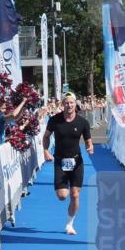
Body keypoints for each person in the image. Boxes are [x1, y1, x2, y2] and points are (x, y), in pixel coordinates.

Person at [43, 93, 93, 235]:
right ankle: (68, 216)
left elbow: (88, 141)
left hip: (77, 162)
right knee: (62, 196)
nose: (69, 105)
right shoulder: (54, 120)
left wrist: (90, 148)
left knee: (75, 195)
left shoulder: (83, 122)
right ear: (62, 104)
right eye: (66, 103)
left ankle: (70, 224)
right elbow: (46, 136)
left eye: (71, 103)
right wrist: (46, 151)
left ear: (75, 104)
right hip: (60, 161)